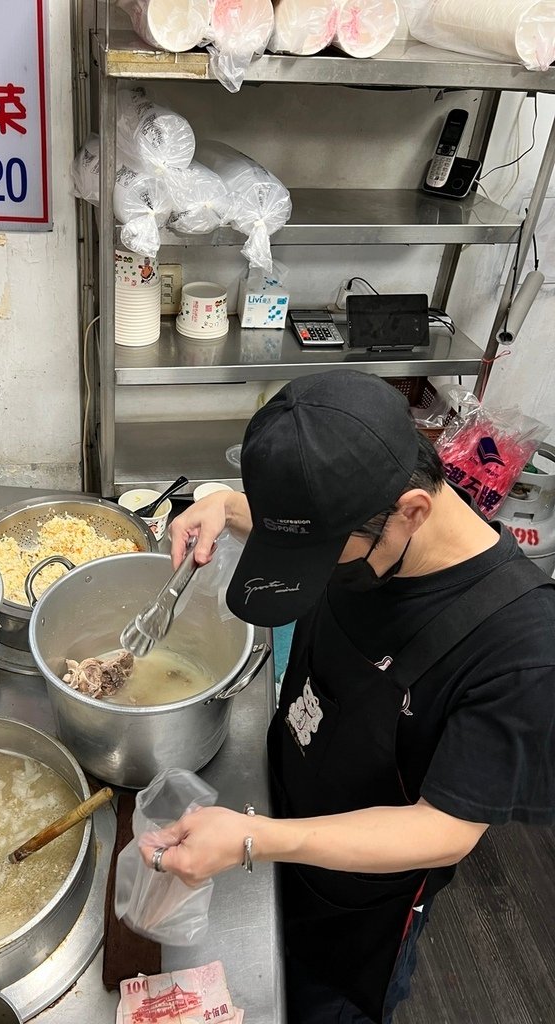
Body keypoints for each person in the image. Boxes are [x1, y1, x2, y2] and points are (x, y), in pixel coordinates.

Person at [146, 370, 555, 1024]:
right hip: (281, 816)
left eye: (322, 554)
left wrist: (256, 838)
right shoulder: (371, 532)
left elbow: (444, 828)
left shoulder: (520, 650)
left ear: (411, 511)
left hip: (356, 912)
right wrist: (223, 502)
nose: (316, 566)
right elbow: (310, 530)